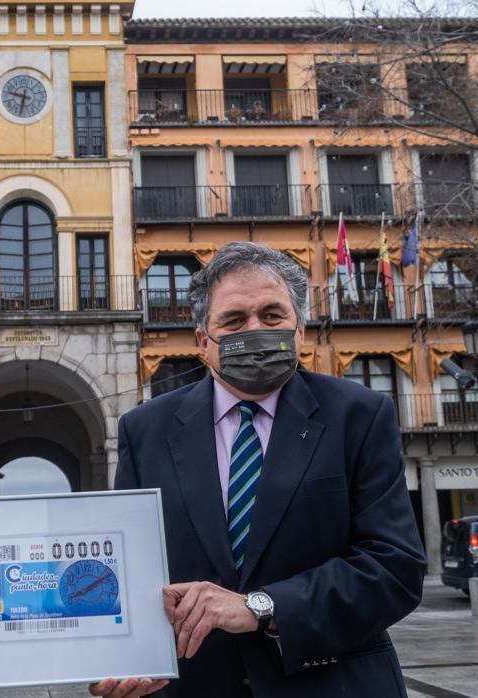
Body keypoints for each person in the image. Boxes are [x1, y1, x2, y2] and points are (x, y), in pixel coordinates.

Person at [115, 242, 425, 696]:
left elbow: (395, 567)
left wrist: (261, 607)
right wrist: (121, 657)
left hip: (332, 682)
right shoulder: (144, 430)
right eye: (234, 320)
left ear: (299, 331)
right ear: (204, 341)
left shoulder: (359, 416)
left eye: (272, 315)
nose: (255, 330)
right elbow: (131, 572)